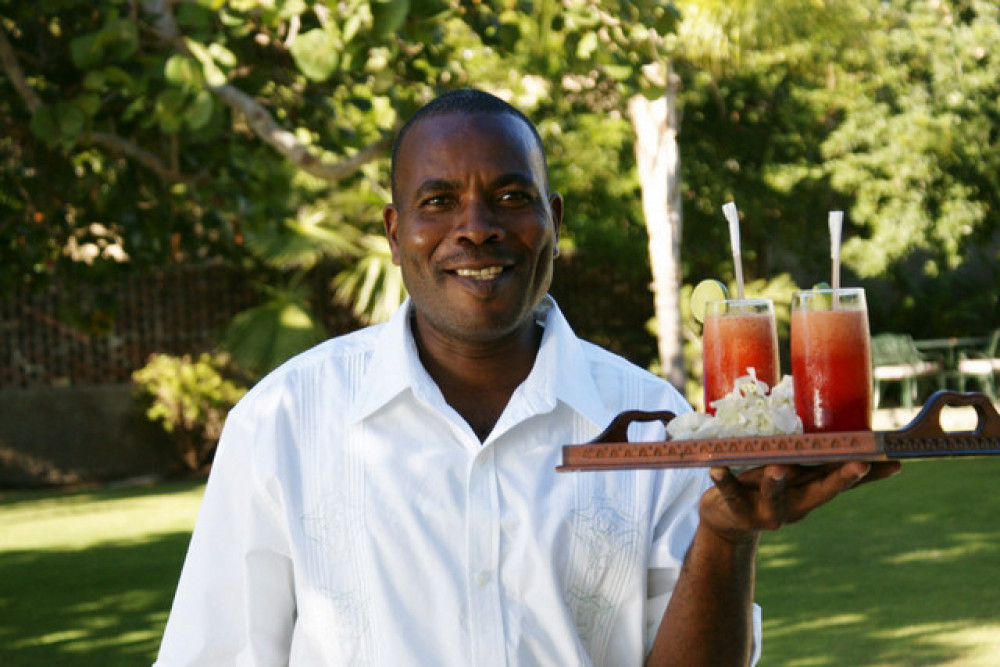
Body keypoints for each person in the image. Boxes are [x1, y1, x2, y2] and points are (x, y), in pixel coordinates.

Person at [155, 89, 900, 666]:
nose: (476, 226)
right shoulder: (284, 419)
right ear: (393, 232)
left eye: (511, 197)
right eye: (437, 201)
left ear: (555, 218)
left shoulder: (656, 420)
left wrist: (726, 537)